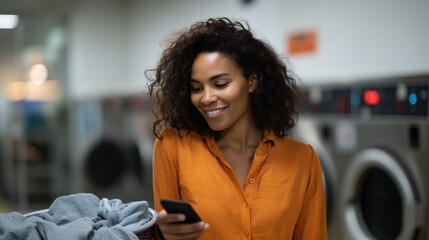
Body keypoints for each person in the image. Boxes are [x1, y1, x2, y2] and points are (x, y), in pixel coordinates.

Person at [146, 17, 327, 240]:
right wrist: (160, 233)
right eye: (196, 88)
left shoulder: (302, 159)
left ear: (252, 82)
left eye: (220, 84)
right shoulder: (173, 147)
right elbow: (166, 232)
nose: (207, 98)